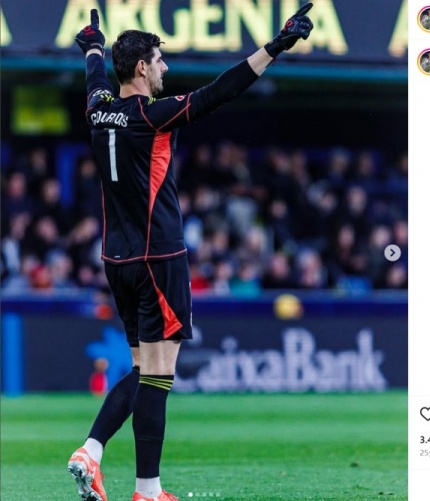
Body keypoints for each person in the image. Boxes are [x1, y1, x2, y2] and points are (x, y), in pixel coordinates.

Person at [66, 6, 314, 501]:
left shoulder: (98, 108)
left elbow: (95, 75)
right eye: (159, 61)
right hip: (159, 257)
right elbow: (221, 91)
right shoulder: (153, 116)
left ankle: (98, 454)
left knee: (144, 369)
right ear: (141, 68)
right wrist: (277, 45)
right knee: (159, 376)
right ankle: (143, 487)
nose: (165, 68)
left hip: (117, 259)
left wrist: (93, 44)